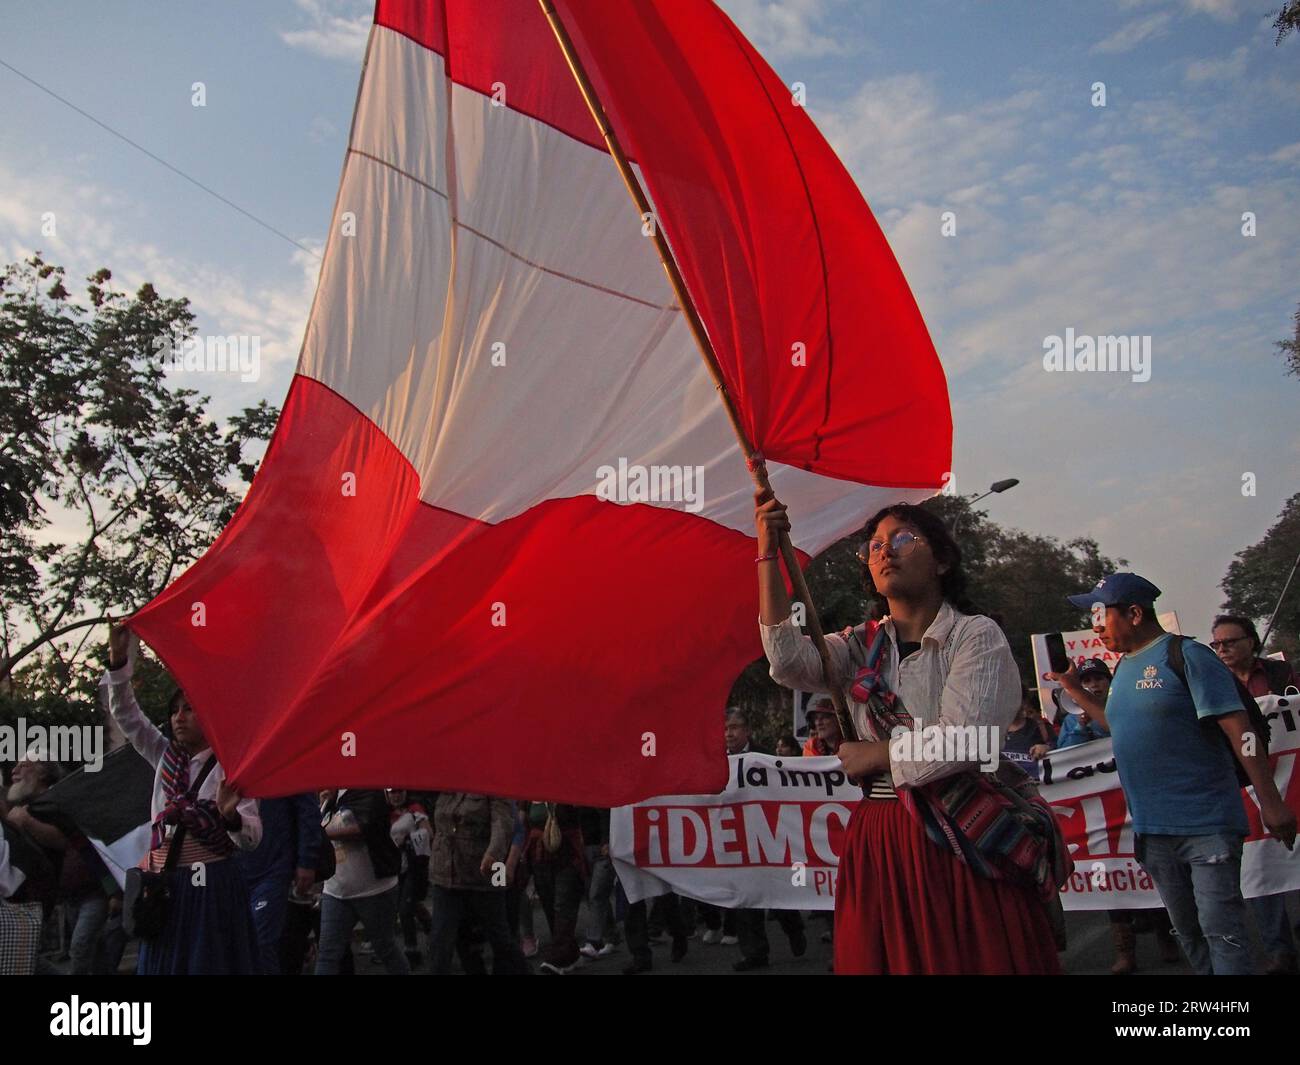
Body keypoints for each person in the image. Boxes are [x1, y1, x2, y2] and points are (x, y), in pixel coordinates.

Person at [756, 492, 1061, 974]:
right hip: (883, 835)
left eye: (902, 538)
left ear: (941, 560)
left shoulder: (975, 636)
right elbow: (790, 661)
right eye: (874, 545)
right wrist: (769, 556)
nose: (884, 551)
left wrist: (876, 754)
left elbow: (968, 741)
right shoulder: (860, 646)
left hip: (961, 835)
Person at [1053, 574, 1297, 975]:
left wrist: (1271, 802)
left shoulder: (1188, 656)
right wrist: (1074, 691)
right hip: (1153, 832)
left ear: (1133, 614)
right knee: (1189, 933)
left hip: (1207, 826)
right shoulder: (1125, 669)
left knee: (1223, 932)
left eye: (1100, 613)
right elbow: (1120, 726)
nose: (1094, 624)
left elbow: (1241, 730)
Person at [102, 624, 261, 974]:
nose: (179, 717)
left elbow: (251, 837)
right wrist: (118, 660)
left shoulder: (231, 768)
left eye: (189, 709)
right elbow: (127, 715)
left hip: (211, 887)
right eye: (175, 710)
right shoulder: (164, 756)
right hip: (166, 884)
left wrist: (230, 817)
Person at [1211, 614, 1299, 975]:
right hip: (1248, 789)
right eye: (1217, 645)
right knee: (1259, 868)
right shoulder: (1214, 684)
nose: (1223, 650)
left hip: (1293, 780)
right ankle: (1279, 949)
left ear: (1252, 642)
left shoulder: (1285, 677)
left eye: (1230, 642)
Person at [427, 791, 527, 975]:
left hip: (485, 874)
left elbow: (503, 825)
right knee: (441, 942)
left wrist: (494, 855)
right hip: (445, 875)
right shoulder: (446, 785)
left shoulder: (494, 787)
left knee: (501, 938)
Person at [315, 788, 410, 975]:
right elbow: (321, 824)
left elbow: (362, 828)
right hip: (336, 889)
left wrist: (319, 833)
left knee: (385, 947)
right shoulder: (331, 796)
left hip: (373, 889)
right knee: (328, 953)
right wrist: (324, 805)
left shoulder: (371, 792)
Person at [235, 792, 321, 975]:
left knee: (261, 942)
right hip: (236, 869)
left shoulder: (283, 765)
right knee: (240, 944)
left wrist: (307, 860)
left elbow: (308, 809)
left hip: (273, 868)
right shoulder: (224, 765)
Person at [386, 788, 432, 968]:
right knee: (410, 904)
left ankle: (411, 951)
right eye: (392, 792)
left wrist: (408, 840)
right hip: (394, 868)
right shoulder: (383, 813)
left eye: (398, 791)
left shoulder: (415, 810)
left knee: (405, 909)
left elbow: (429, 832)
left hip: (413, 867)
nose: (395, 795)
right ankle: (432, 929)